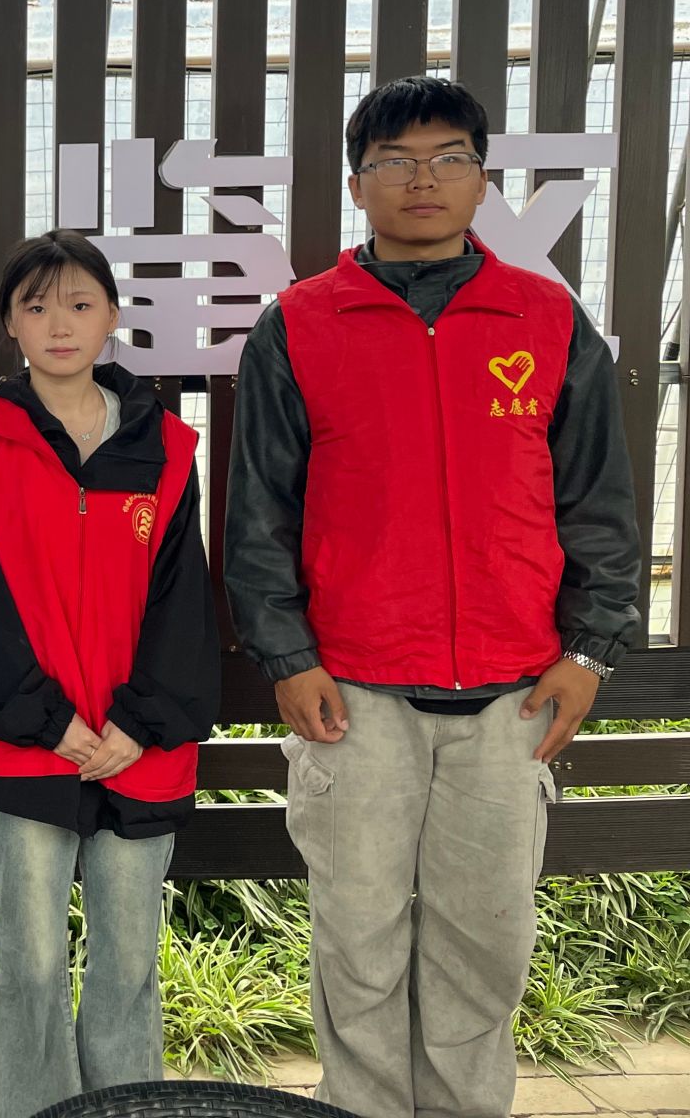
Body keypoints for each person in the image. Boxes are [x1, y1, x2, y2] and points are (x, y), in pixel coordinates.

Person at [225, 77, 645, 1118]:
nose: (423, 180)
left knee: (481, 949)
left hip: (511, 699)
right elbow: (258, 514)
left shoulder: (544, 317)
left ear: (481, 178)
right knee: (356, 944)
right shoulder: (300, 324)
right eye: (395, 162)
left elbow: (598, 503)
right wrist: (287, 658)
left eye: (448, 158)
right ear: (356, 184)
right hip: (353, 698)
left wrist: (588, 652)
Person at [0, 229, 219, 1118]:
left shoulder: (168, 447)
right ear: (10, 325)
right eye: (37, 306)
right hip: (28, 745)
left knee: (129, 965)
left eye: (80, 304)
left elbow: (183, 600)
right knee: (29, 963)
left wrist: (140, 721)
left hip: (139, 747)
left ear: (111, 317)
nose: (59, 324)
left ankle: (126, 1110)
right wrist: (47, 722)